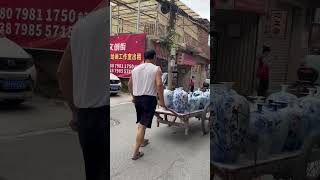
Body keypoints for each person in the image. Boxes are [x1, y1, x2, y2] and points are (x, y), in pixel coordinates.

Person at [57, 6, 108, 180]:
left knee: (93, 172)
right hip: (106, 115)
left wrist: (76, 112)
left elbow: (62, 73)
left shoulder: (81, 25)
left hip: (87, 119)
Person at [128, 49, 166, 160]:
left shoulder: (136, 69)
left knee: (141, 122)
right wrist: (162, 102)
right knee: (143, 125)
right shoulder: (156, 68)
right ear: (154, 57)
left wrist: (133, 96)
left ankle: (142, 141)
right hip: (149, 100)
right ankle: (135, 152)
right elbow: (159, 85)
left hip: (138, 99)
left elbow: (130, 84)